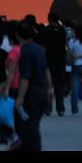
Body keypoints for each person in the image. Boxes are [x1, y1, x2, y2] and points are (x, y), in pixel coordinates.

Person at [14, 22, 53, 151]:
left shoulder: (25, 52)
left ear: (18, 35)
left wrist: (20, 98)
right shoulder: (39, 49)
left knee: (31, 127)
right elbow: (47, 70)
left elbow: (25, 77)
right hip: (42, 90)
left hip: (32, 94)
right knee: (34, 124)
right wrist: (49, 88)